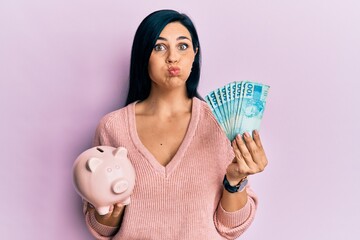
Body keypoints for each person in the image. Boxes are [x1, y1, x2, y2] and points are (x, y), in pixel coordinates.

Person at [83, 9, 268, 240]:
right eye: (159, 47)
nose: (173, 57)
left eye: (182, 46)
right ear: (143, 55)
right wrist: (110, 211)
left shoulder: (220, 123)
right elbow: (102, 228)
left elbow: (230, 227)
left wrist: (234, 181)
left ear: (194, 54)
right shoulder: (112, 128)